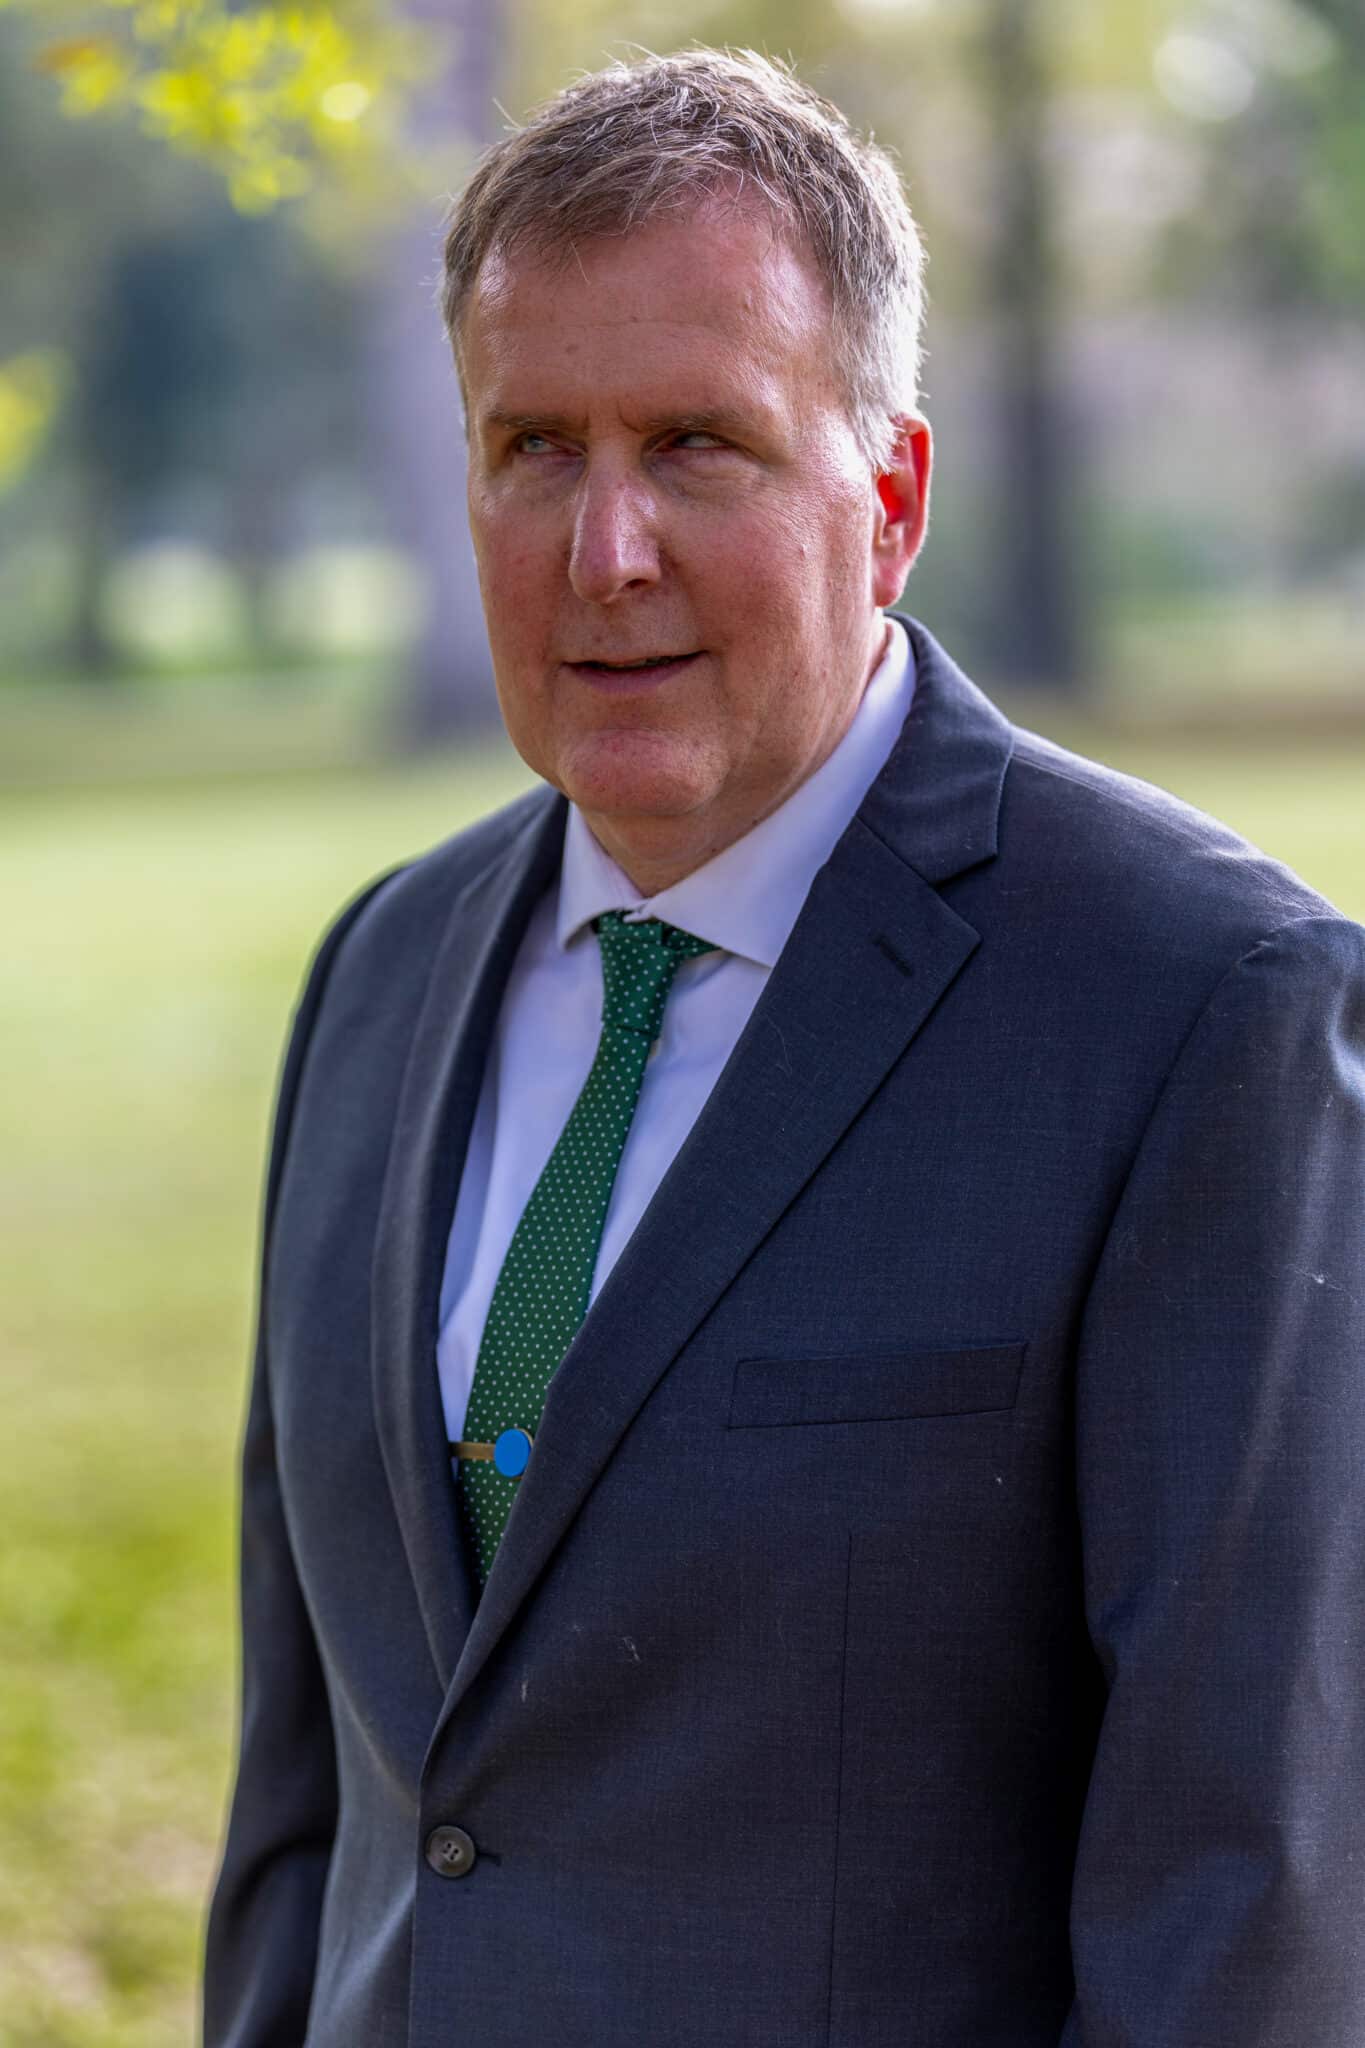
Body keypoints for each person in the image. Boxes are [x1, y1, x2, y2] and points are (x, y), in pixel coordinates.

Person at [203, 47, 1365, 2048]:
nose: (605, 549)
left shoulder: (1203, 1009)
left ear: (888, 494)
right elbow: (309, 1815)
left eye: (695, 444)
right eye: (533, 447)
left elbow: (1241, 1896)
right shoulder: (376, 981)